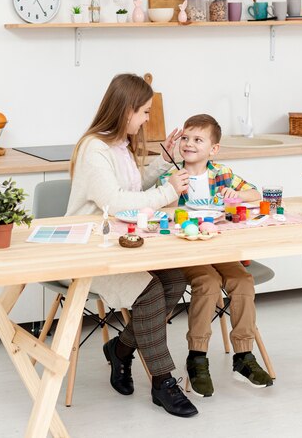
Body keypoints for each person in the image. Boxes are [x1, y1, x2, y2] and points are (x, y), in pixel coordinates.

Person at [66, 73, 197, 417]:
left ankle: (121, 351)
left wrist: (164, 158)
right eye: (144, 112)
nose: (147, 119)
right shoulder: (95, 149)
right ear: (126, 111)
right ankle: (162, 382)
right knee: (152, 291)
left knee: (175, 279)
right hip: (92, 251)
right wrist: (170, 191)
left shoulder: (119, 146)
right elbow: (116, 202)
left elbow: (133, 188)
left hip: (123, 243)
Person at [159, 113, 273, 397]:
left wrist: (234, 196)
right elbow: (162, 212)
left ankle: (244, 357)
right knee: (208, 285)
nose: (189, 144)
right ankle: (197, 357)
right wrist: (173, 192)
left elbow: (255, 193)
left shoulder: (221, 173)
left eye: (198, 139)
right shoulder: (170, 175)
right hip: (187, 249)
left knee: (243, 281)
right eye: (185, 138)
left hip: (219, 246)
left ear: (213, 149)